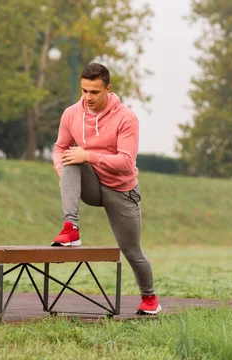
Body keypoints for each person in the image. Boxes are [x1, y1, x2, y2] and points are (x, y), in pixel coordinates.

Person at [50, 63, 161, 315]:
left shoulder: (126, 118)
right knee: (69, 157)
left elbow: (125, 163)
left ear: (108, 89)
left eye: (94, 92)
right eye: (84, 91)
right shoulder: (71, 114)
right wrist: (60, 168)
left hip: (122, 190)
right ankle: (71, 229)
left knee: (131, 251)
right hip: (92, 185)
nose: (87, 98)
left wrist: (88, 155)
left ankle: (150, 299)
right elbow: (59, 147)